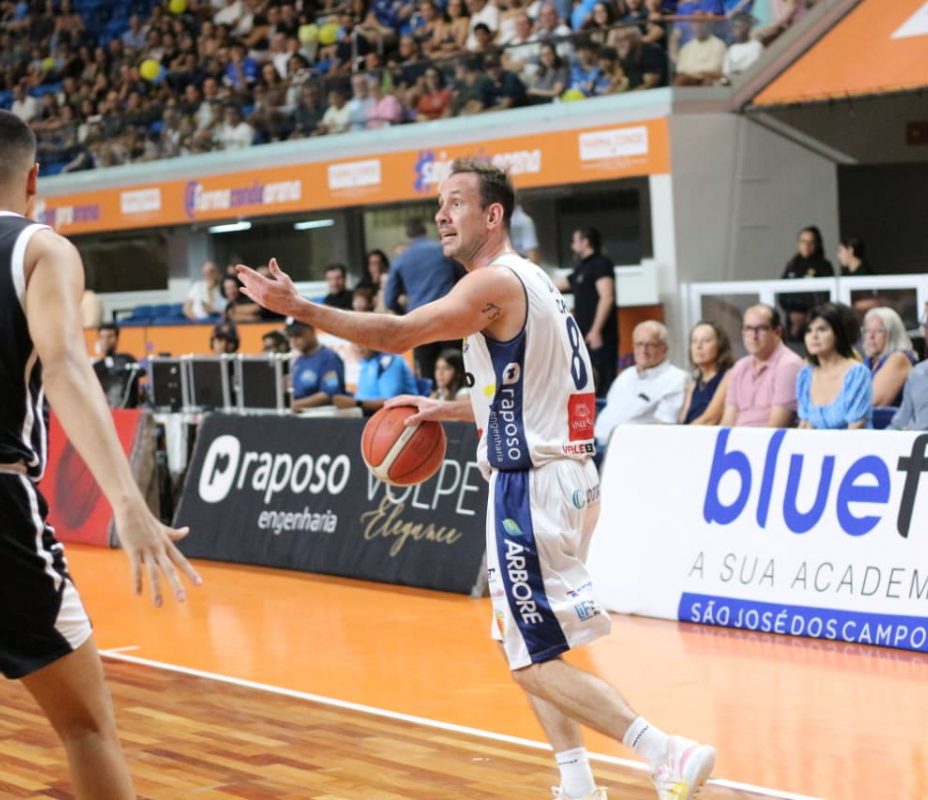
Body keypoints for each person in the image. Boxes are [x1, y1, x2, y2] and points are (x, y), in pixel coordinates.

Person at [236, 158, 715, 800]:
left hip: (530, 486)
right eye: (439, 204)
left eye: (455, 202)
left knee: (531, 659)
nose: (441, 215)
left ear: (493, 215)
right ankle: (576, 780)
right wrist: (450, 408)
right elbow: (530, 393)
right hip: (568, 477)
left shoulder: (494, 283)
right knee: (518, 643)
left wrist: (299, 307)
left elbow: (398, 334)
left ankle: (666, 753)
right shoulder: (534, 281)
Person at [0, 109, 198, 800]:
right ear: (34, 180)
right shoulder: (39, 248)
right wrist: (127, 501)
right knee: (85, 725)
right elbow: (63, 367)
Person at [384, 217, 463, 380]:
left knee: (428, 373)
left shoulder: (401, 259)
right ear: (426, 230)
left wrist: (405, 313)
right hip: (450, 317)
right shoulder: (444, 250)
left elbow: (389, 299)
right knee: (456, 367)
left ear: (407, 234)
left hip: (420, 323)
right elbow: (463, 278)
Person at [595, 321, 687, 449]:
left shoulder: (676, 379)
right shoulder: (626, 374)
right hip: (596, 442)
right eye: (639, 344)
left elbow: (664, 427)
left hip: (630, 449)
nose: (643, 350)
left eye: (650, 345)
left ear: (665, 348)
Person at [555, 227, 619, 397]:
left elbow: (607, 297)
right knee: (586, 381)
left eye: (574, 241)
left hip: (599, 336)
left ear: (585, 242)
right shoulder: (581, 268)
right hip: (582, 337)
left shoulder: (601, 264)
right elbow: (558, 284)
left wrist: (596, 330)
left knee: (603, 381)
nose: (572, 246)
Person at [722, 303, 803, 427]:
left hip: (769, 438)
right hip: (737, 437)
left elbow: (776, 426)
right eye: (748, 328)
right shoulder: (739, 367)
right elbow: (728, 421)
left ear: (777, 332)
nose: (753, 336)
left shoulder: (789, 365)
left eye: (761, 329)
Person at [795, 303, 872, 429]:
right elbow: (805, 425)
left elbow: (856, 427)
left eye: (822, 329)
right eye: (809, 331)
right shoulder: (805, 375)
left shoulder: (857, 374)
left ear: (838, 334)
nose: (814, 336)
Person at [333, 345, 419, 413]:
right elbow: (363, 396)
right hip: (368, 415)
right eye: (354, 342)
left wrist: (356, 403)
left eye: (362, 341)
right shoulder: (365, 362)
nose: (358, 346)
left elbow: (390, 402)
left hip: (396, 418)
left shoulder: (388, 362)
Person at [678, 321, 734, 425]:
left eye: (706, 340)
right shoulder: (694, 383)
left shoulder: (729, 376)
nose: (698, 346)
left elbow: (710, 419)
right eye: (694, 341)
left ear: (720, 345)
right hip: (689, 431)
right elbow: (683, 420)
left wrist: (683, 433)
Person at [286, 320, 347, 411]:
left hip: (320, 414)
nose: (294, 340)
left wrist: (293, 405)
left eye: (298, 335)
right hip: (298, 411)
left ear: (311, 331)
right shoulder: (299, 360)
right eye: (290, 336)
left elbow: (329, 394)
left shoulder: (329, 359)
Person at [92, 322, 143, 408]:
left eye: (110, 336)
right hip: (107, 409)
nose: (106, 341)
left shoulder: (127, 359)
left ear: (116, 338)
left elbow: (140, 371)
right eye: (102, 337)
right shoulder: (96, 366)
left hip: (128, 409)